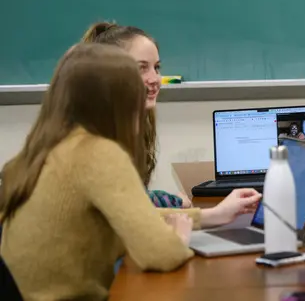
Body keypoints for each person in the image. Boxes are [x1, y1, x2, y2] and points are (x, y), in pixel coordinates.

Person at [0, 43, 261, 300]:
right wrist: (179, 240)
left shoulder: (48, 148)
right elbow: (160, 253)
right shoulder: (97, 153)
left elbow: (136, 214)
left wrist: (209, 216)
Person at [82, 22, 189, 208]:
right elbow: (127, 215)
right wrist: (192, 214)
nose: (155, 79)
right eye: (141, 68)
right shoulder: (96, 141)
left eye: (156, 67)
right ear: (109, 74)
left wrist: (182, 205)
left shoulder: (132, 124)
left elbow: (135, 198)